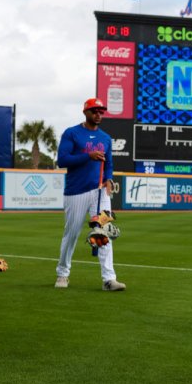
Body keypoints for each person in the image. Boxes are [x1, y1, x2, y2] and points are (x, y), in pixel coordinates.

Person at [53, 98, 125, 292]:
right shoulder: (72, 133)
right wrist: (88, 156)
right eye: (94, 111)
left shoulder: (106, 138)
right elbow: (62, 160)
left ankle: (109, 279)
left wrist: (109, 179)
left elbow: (108, 163)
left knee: (104, 233)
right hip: (76, 191)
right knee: (72, 233)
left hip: (100, 192)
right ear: (85, 112)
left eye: (101, 111)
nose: (98, 114)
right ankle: (63, 273)